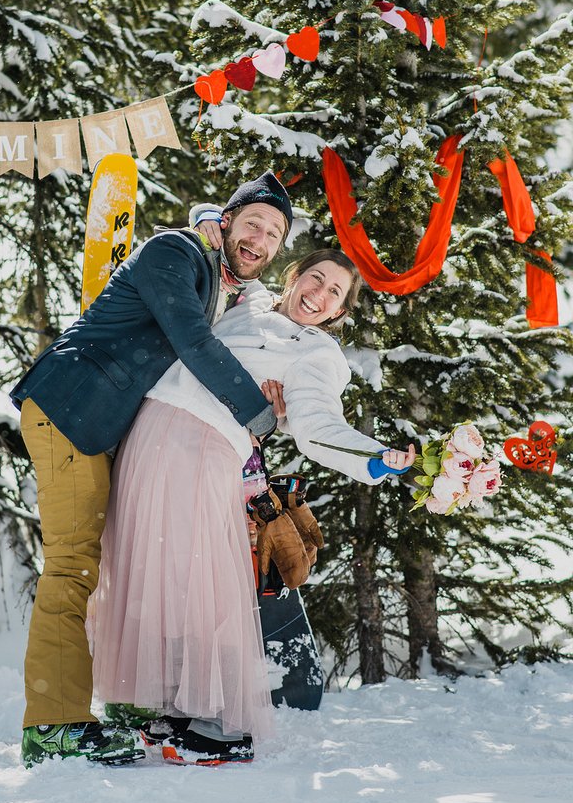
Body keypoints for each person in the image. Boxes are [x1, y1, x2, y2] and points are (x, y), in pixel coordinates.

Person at [89, 249, 416, 766]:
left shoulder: (317, 353)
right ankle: (168, 705)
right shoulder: (245, 298)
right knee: (155, 570)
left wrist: (374, 458)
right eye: (316, 278)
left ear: (338, 313)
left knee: (202, 577)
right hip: (149, 432)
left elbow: (315, 425)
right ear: (294, 277)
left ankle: (218, 720)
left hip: (207, 445)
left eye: (335, 293)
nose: (319, 294)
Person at [10, 171, 293, 767]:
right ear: (226, 222)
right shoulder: (175, 251)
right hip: (70, 409)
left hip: (102, 424)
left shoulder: (218, 283)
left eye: (274, 234)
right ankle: (54, 725)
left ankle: (130, 700)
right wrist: (258, 414)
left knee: (117, 561)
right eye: (253, 223)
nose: (261, 239)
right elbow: (192, 341)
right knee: (72, 565)